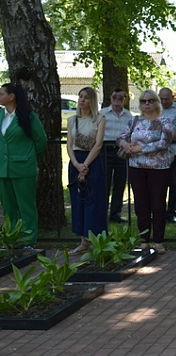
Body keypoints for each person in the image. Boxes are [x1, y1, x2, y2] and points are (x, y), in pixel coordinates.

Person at [117, 90, 176, 254]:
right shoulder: (134, 120)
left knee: (158, 204)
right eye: (143, 101)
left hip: (159, 168)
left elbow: (164, 142)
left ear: (157, 102)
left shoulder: (164, 121)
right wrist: (126, 145)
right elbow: (120, 137)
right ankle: (144, 240)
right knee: (141, 204)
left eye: (150, 100)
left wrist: (141, 148)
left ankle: (158, 241)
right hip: (136, 167)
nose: (147, 104)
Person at [0, 82, 47, 247]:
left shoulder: (29, 116)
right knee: (8, 208)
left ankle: (28, 240)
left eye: (1, 94)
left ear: (11, 97)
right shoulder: (0, 115)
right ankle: (11, 239)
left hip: (23, 169)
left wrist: (28, 156)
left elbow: (41, 141)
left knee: (26, 207)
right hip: (3, 169)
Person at [67, 87, 108, 255]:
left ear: (92, 100)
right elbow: (69, 145)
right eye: (80, 97)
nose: (82, 100)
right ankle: (83, 242)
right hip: (76, 161)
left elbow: (98, 144)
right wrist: (77, 165)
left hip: (93, 161)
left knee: (93, 200)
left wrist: (85, 165)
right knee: (79, 200)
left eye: (86, 97)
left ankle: (95, 241)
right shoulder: (72, 120)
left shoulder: (99, 119)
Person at [100, 87, 133, 223]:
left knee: (120, 183)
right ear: (110, 97)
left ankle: (115, 213)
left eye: (121, 97)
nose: (117, 100)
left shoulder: (129, 116)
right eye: (115, 97)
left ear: (125, 100)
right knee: (104, 183)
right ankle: (101, 212)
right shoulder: (102, 114)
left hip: (121, 152)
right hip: (105, 151)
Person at [159, 88, 176, 223]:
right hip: (156, 152)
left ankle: (171, 212)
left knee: (174, 182)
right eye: (162, 99)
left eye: (167, 99)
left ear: (172, 98)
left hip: (174, 150)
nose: (164, 102)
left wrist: (164, 141)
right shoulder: (154, 108)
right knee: (159, 182)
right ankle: (158, 210)